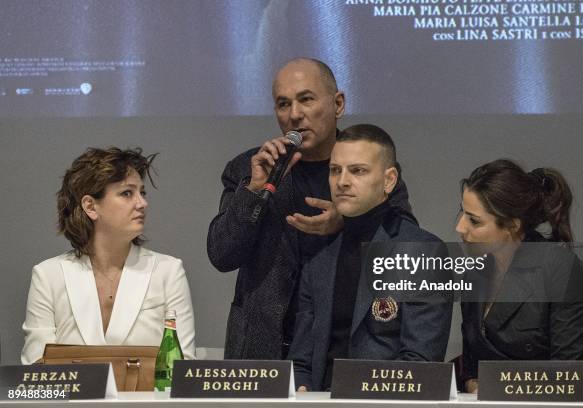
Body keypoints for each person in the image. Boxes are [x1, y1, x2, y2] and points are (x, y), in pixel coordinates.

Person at [207, 58, 415, 359]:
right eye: (283, 104)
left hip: (341, 348)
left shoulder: (370, 166)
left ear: (338, 104)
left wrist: (348, 223)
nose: (294, 115)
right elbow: (222, 255)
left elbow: (406, 249)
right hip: (263, 349)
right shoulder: (250, 167)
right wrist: (253, 190)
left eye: (306, 100)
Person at [288, 124, 452, 391]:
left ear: (389, 180)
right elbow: (301, 361)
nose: (342, 181)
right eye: (335, 170)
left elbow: (421, 362)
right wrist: (303, 389)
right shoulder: (320, 255)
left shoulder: (424, 252)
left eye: (358, 170)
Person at [21, 147, 196, 364]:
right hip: (69, 399)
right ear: (91, 206)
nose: (142, 203)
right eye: (127, 193)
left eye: (142, 192)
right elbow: (37, 369)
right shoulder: (48, 275)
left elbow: (181, 367)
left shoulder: (168, 271)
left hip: (150, 398)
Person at [456, 159, 583, 394]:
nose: (460, 227)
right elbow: (471, 364)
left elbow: (574, 374)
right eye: (462, 211)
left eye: (474, 220)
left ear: (512, 225)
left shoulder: (560, 268)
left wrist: (495, 388)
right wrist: (473, 383)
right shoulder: (475, 270)